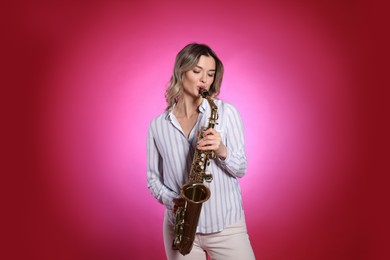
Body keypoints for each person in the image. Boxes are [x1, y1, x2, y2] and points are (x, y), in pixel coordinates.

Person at [147, 43, 255, 260]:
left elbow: (240, 168)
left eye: (210, 74)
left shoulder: (225, 112)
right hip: (181, 227)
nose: (205, 79)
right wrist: (173, 201)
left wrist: (222, 150)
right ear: (181, 71)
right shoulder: (158, 125)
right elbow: (153, 179)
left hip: (226, 225)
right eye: (197, 72)